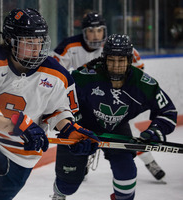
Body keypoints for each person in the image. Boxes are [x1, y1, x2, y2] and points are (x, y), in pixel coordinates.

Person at [0, 8, 99, 200]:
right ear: (11, 41)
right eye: (29, 43)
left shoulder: (58, 75)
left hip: (22, 154)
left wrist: (69, 130)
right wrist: (16, 125)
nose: (37, 49)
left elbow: (58, 111)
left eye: (40, 42)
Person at [51, 34, 177, 200]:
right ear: (104, 59)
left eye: (121, 60)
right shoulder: (85, 76)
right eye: (111, 60)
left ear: (130, 60)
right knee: (68, 184)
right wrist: (72, 124)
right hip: (81, 128)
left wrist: (155, 131)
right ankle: (59, 194)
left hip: (118, 128)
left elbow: (168, 112)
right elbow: (59, 102)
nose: (116, 66)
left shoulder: (143, 84)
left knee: (127, 173)